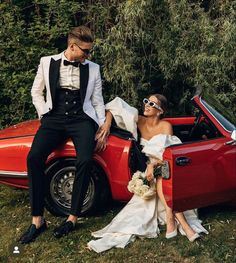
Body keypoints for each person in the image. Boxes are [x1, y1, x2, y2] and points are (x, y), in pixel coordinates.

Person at [19, 26, 110, 244]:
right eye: (85, 51)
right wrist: (44, 114)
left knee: (85, 160)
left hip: (81, 119)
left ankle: (72, 217)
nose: (88, 55)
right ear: (72, 46)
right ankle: (37, 221)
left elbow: (97, 101)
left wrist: (100, 126)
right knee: (33, 158)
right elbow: (36, 92)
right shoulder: (46, 62)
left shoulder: (93, 69)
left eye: (89, 51)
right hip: (54, 118)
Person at [88, 94, 208, 253]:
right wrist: (107, 124)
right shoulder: (139, 120)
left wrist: (153, 164)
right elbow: (114, 106)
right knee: (160, 175)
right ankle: (182, 223)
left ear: (160, 111)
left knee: (162, 172)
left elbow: (167, 155)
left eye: (152, 103)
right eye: (146, 101)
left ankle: (173, 220)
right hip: (148, 170)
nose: (146, 105)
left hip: (163, 165)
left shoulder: (166, 126)